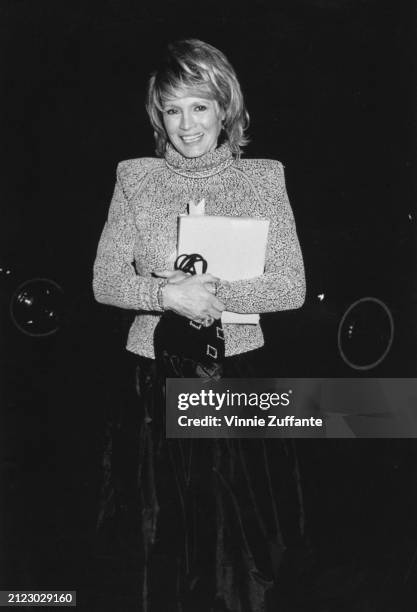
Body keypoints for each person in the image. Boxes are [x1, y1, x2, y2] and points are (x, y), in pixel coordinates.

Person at [93, 39, 305, 611]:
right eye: (172, 109)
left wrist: (204, 295)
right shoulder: (135, 178)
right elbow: (105, 282)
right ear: (158, 116)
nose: (186, 124)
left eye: (199, 106)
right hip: (150, 380)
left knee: (236, 547)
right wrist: (166, 295)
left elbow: (290, 286)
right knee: (159, 537)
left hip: (234, 377)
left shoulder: (263, 179)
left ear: (224, 108)